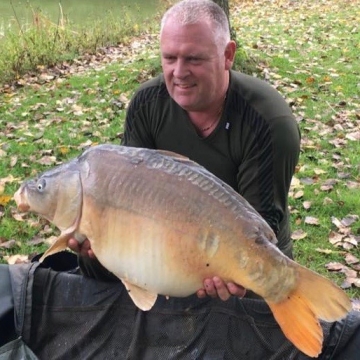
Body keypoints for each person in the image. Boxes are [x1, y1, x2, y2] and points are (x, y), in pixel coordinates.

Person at [67, 0, 360, 358]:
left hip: (244, 265)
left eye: (194, 59)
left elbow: (259, 226)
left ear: (228, 55)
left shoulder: (268, 121)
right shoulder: (146, 105)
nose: (178, 72)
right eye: (169, 57)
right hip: (163, 250)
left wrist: (234, 272)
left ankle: (289, 297)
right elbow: (129, 197)